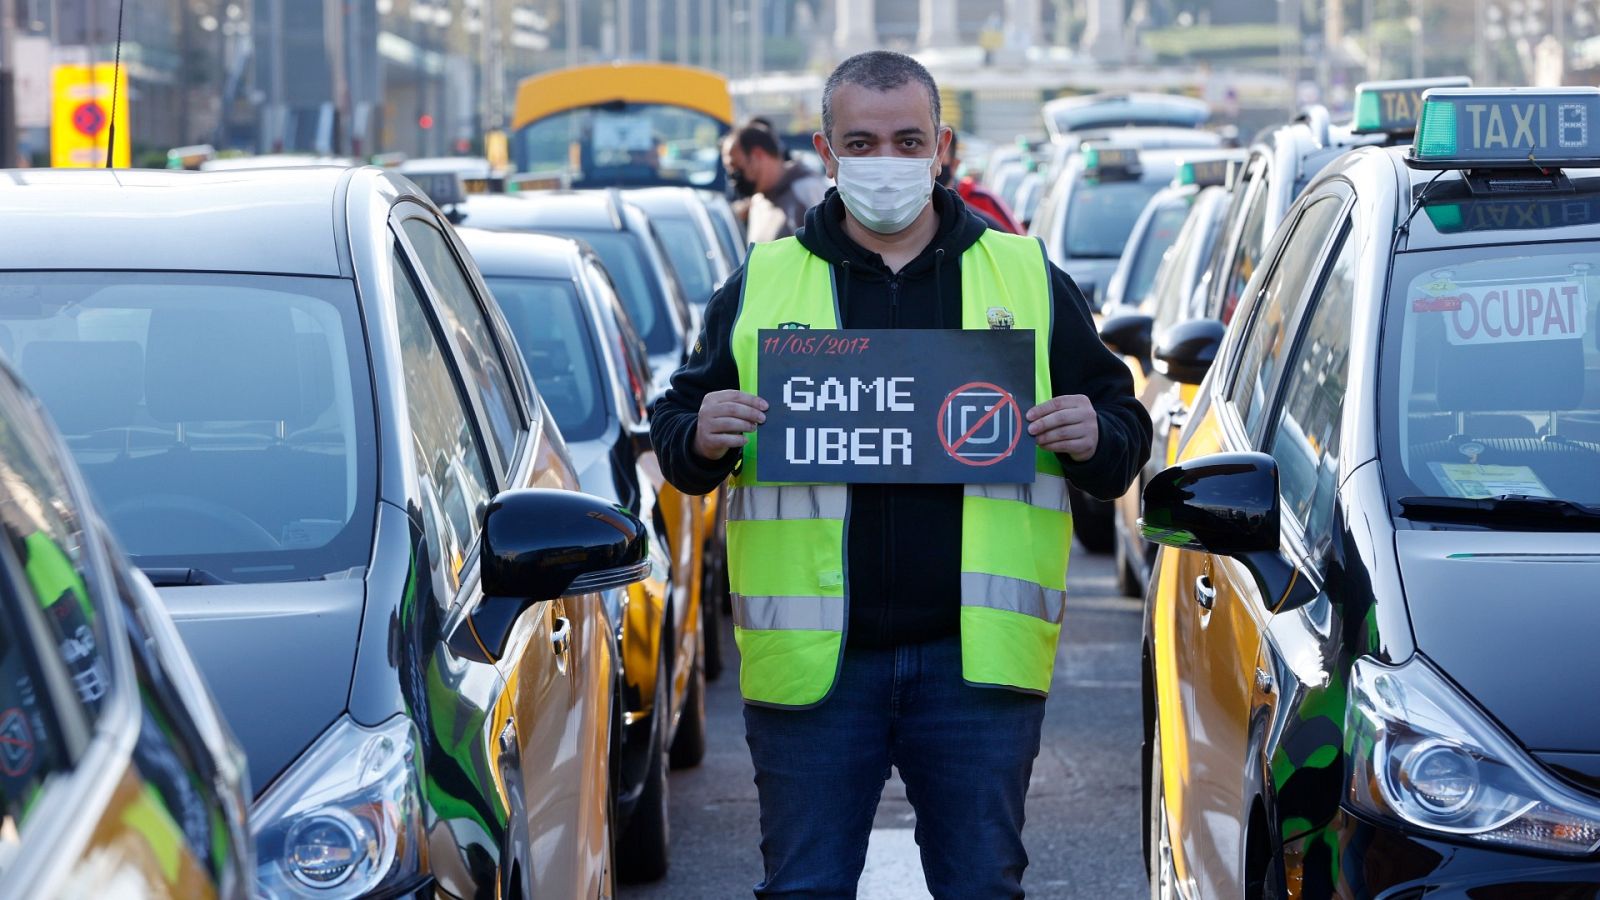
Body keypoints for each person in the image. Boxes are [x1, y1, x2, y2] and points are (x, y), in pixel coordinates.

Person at [652, 50, 1151, 898]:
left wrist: (1095, 434)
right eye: (863, 142)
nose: (887, 162)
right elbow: (676, 431)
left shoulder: (1024, 276)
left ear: (942, 147)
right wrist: (699, 438)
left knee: (982, 887)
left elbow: (1124, 431)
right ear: (827, 150)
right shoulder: (763, 284)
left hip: (975, 670)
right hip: (815, 674)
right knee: (804, 886)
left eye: (907, 140)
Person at [724, 120, 829, 243]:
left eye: (735, 165)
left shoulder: (806, 190)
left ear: (757, 155)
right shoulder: (758, 200)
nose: (733, 175)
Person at [939, 130, 1022, 234]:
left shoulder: (981, 198)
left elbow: (1015, 241)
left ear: (955, 164)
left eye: (941, 158)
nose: (935, 167)